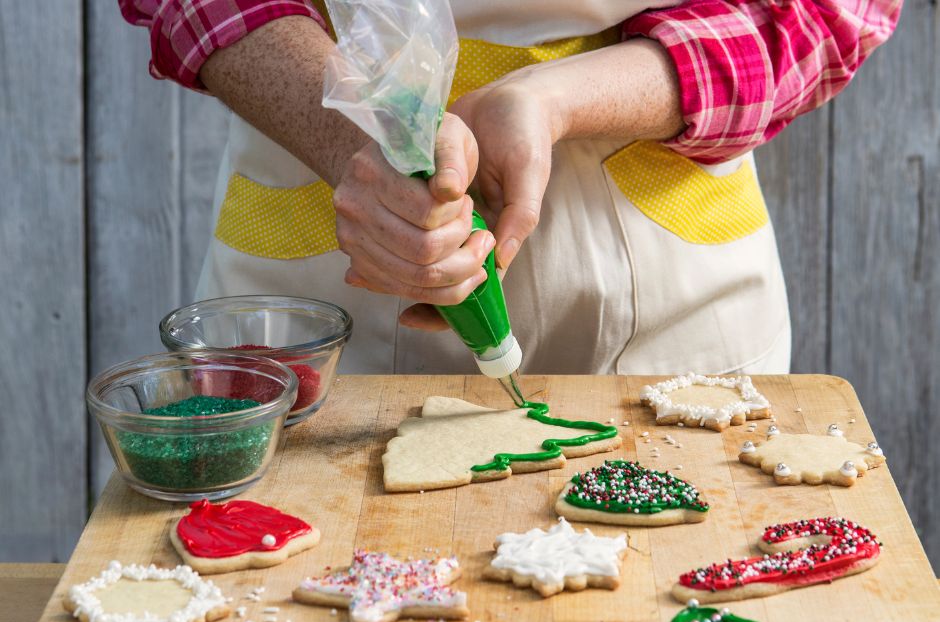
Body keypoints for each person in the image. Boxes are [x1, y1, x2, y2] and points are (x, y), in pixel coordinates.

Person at [120, 0, 899, 375]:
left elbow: (831, 9)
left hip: (676, 299)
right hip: (321, 294)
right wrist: (360, 139)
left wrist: (556, 96)